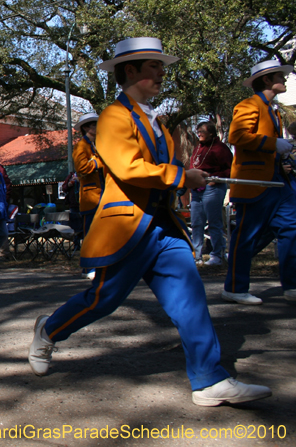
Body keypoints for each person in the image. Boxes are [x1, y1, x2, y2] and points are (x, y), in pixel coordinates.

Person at [28, 37, 271, 406]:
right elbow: (127, 168)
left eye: (161, 67)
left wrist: (189, 176)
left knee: (190, 300)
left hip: (164, 226)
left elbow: (166, 168)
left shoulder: (156, 120)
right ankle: (48, 330)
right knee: (102, 301)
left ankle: (209, 380)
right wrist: (181, 177)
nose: (161, 73)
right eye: (154, 67)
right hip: (127, 226)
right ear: (131, 71)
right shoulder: (113, 115)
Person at [223, 60, 296, 305]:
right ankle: (235, 287)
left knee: (291, 228)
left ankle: (292, 286)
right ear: (266, 79)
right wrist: (272, 144)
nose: (284, 80)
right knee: (247, 235)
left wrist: (279, 151)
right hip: (254, 181)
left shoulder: (273, 110)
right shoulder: (249, 104)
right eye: (280, 76)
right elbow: (237, 136)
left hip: (277, 180)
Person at [189, 121, 233, 267]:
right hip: (197, 189)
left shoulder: (220, 149)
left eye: (202, 131)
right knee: (196, 223)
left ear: (212, 133)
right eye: (198, 131)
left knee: (214, 223)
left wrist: (216, 179)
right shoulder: (198, 149)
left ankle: (217, 254)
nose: (199, 133)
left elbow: (229, 170)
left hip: (212, 188)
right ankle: (197, 255)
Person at [72, 112, 104, 280]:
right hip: (91, 197)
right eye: (93, 125)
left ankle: (100, 265)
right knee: (90, 234)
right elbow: (82, 168)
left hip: (103, 195)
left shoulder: (96, 145)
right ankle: (88, 267)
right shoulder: (81, 147)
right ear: (86, 128)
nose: (97, 128)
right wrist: (99, 162)